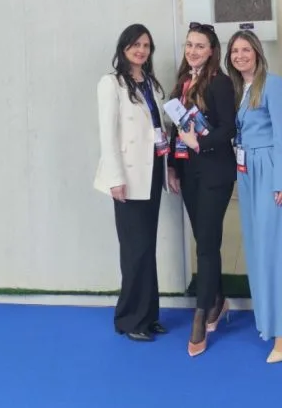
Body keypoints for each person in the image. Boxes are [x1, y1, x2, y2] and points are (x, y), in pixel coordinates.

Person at [225, 29, 282, 364]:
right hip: (248, 172)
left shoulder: (274, 85)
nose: (240, 56)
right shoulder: (239, 90)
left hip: (271, 170)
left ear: (258, 53)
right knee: (259, 249)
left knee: (278, 248)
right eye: (235, 51)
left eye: (246, 50)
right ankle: (270, 321)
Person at [95, 24, 169, 342]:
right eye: (135, 44)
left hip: (151, 173)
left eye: (146, 45)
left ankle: (149, 316)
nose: (141, 50)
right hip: (127, 176)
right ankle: (129, 319)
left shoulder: (150, 83)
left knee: (147, 247)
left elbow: (158, 127)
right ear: (123, 47)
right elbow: (107, 135)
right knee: (134, 250)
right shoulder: (111, 84)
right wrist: (115, 178)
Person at [168, 22, 237, 357]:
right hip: (188, 173)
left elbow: (228, 129)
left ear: (211, 51)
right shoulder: (182, 82)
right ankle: (218, 300)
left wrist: (201, 142)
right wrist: (172, 166)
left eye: (200, 46)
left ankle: (200, 314)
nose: (193, 51)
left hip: (214, 173)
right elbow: (175, 129)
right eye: (189, 45)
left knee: (206, 245)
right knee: (205, 239)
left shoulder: (219, 83)